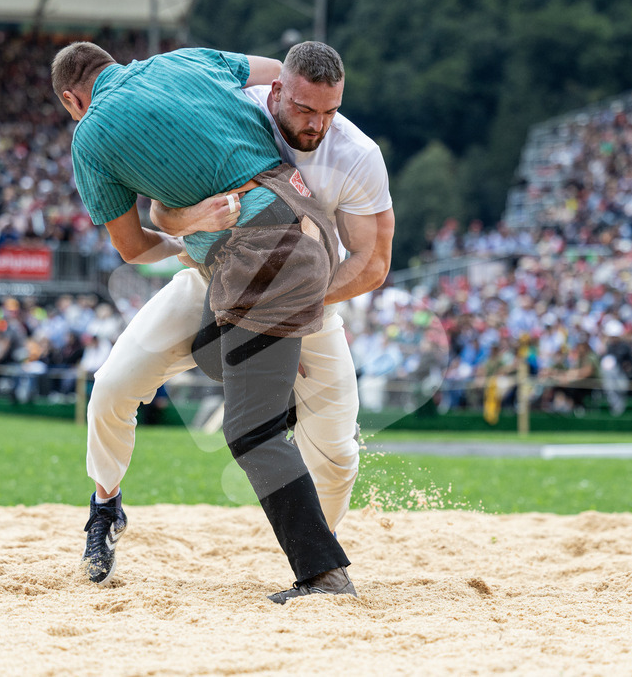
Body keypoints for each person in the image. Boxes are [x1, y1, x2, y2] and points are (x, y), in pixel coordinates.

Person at [52, 41, 392, 603]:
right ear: (278, 90)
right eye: (305, 110)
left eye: (327, 113)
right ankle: (105, 505)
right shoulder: (192, 66)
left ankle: (321, 565)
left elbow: (134, 247)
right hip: (223, 269)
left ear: (72, 99)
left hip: (293, 277)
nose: (317, 124)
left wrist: (292, 315)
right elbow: (166, 207)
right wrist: (193, 224)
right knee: (113, 385)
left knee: (323, 452)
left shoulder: (355, 152)